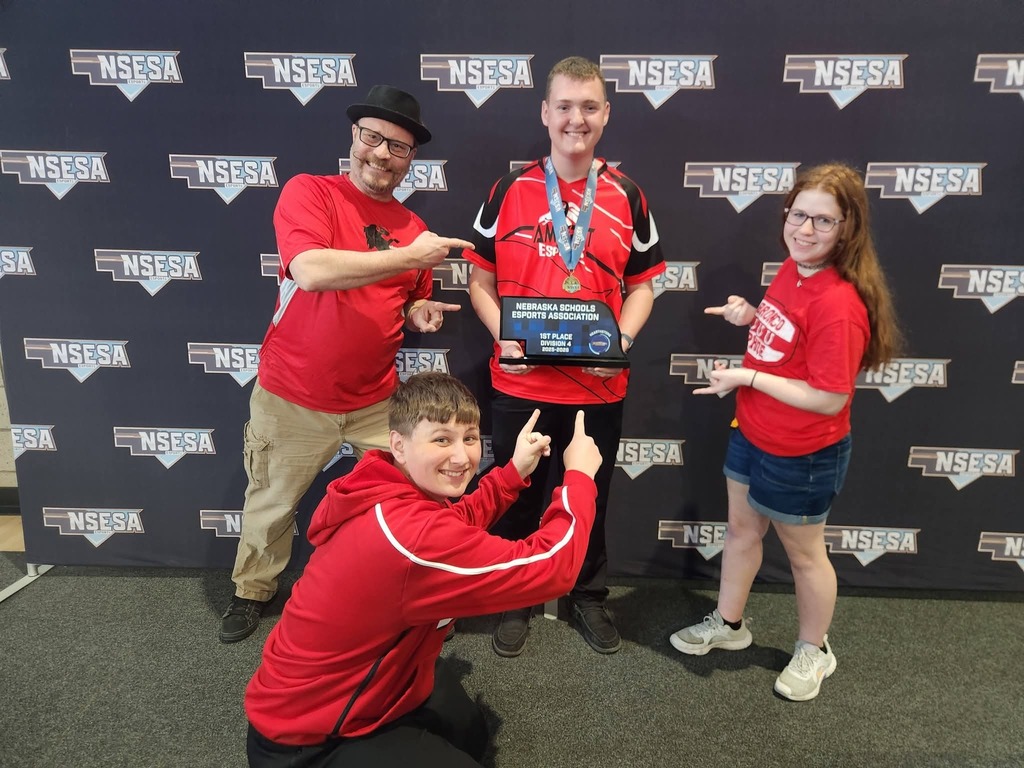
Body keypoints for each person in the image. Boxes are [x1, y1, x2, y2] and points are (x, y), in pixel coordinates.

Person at [220, 85, 475, 643]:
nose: (382, 154)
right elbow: (310, 270)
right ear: (354, 137)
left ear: (411, 159)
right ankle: (252, 592)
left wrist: (419, 311)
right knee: (271, 505)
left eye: (398, 147)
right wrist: (409, 256)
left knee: (405, 504)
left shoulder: (413, 230)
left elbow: (407, 297)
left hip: (376, 403)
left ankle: (405, 595)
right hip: (292, 395)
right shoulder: (311, 192)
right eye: (373, 138)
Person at [244, 372, 603, 767]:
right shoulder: (410, 537)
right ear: (398, 444)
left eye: (469, 438)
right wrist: (579, 478)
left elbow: (455, 524)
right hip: (307, 737)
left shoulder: (386, 486)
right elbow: (552, 569)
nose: (461, 457)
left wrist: (512, 473)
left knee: (470, 733)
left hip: (363, 685)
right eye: (441, 440)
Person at [670, 163, 902, 701]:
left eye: (823, 221)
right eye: (798, 215)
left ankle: (815, 650)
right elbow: (791, 342)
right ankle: (730, 624)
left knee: (804, 556)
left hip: (804, 452)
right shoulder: (794, 269)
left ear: (847, 227)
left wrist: (747, 376)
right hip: (752, 431)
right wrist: (752, 316)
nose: (805, 229)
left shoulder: (839, 304)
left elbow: (829, 397)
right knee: (741, 532)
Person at [466, 56, 666, 657]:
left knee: (590, 495)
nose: (576, 119)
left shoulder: (629, 195)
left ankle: (587, 594)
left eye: (588, 107)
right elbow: (479, 280)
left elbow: (644, 287)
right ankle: (515, 596)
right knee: (517, 494)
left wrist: (621, 344)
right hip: (520, 382)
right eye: (564, 106)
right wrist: (504, 336)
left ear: (606, 114)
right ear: (544, 113)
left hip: (596, 386)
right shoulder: (508, 190)